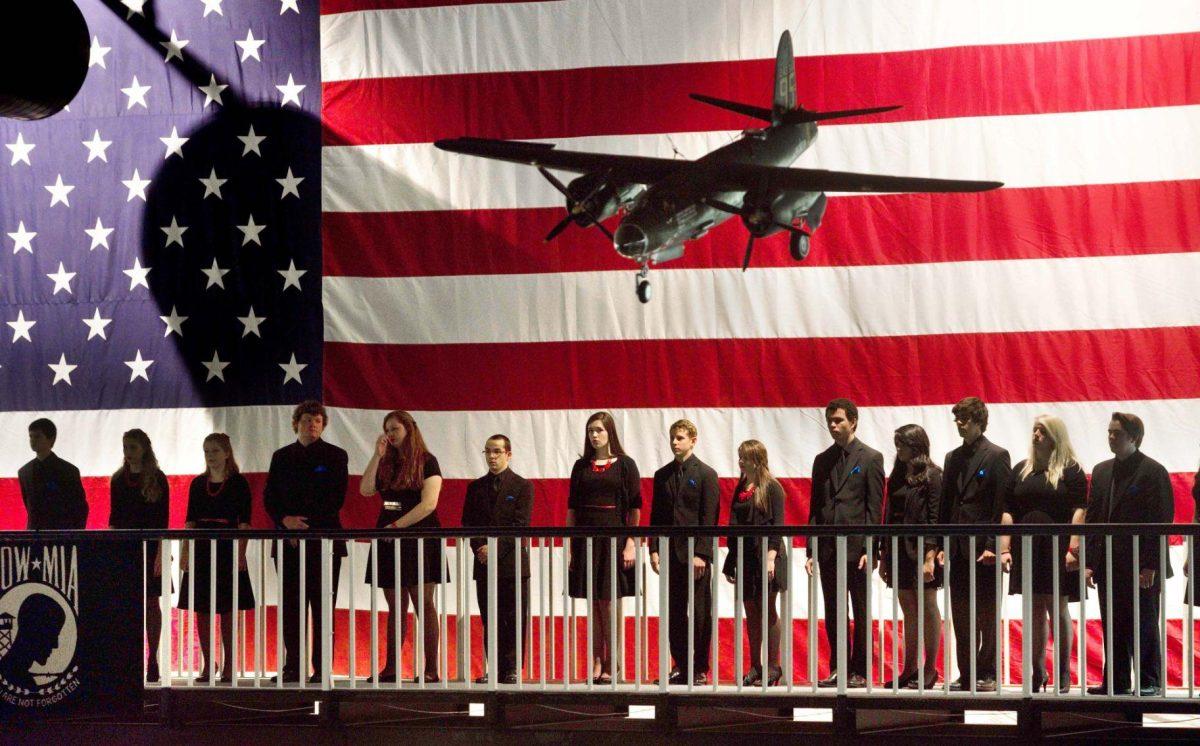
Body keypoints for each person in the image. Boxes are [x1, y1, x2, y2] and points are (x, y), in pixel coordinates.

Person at [1080, 412, 1173, 696]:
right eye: (1109, 432)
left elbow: (1162, 520)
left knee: (1144, 623)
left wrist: (1151, 565)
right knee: (1113, 623)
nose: (1110, 437)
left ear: (1134, 437)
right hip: (1109, 562)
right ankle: (1116, 681)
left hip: (1142, 564)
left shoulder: (1153, 471)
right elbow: (1094, 518)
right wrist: (1090, 563)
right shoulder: (1102, 470)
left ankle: (1149, 680)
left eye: (1116, 433)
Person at [998, 415, 1086, 694]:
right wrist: (1004, 547)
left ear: (1055, 437)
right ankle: (1037, 671)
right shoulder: (1021, 470)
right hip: (1028, 546)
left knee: (1057, 609)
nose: (1036, 435)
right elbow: (1008, 510)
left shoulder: (1071, 470)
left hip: (1057, 548)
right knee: (1033, 610)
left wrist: (1074, 548)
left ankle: (1062, 672)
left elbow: (1079, 510)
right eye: (1035, 430)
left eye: (1042, 431)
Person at [264, 400, 348, 684]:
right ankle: (293, 667)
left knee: (323, 606)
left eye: (317, 420)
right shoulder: (281, 456)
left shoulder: (336, 456)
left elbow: (336, 499)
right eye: (306, 420)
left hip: (323, 541)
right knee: (291, 606)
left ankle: (322, 668)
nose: (312, 424)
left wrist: (305, 527)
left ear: (323, 425)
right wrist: (285, 521)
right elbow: (270, 498)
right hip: (288, 542)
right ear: (296, 423)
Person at [360, 410, 445, 683]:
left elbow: (429, 504)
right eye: (387, 429)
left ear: (409, 429)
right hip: (388, 535)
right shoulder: (386, 461)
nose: (390, 434)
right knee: (396, 606)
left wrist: (398, 527)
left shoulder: (428, 461)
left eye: (395, 429)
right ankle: (392, 667)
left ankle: (430, 669)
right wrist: (376, 455)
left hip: (418, 535)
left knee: (424, 603)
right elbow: (365, 489)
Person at [806, 398, 884, 688]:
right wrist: (811, 548)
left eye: (838, 420)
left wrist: (870, 548)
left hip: (856, 548)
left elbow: (874, 508)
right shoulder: (822, 460)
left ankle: (860, 670)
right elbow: (816, 507)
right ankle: (839, 667)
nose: (833, 426)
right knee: (834, 610)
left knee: (861, 610)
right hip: (828, 547)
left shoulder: (870, 458)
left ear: (853, 421)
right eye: (830, 421)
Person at [937, 396, 1011, 692]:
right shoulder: (952, 457)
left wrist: (994, 544)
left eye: (964, 419)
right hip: (957, 546)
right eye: (957, 419)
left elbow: (1001, 503)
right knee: (961, 613)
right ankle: (966, 672)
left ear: (979, 421)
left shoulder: (996, 455)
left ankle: (988, 672)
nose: (959, 424)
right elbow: (946, 504)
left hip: (984, 548)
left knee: (987, 614)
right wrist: (942, 543)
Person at [566, 411, 641, 684]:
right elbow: (572, 509)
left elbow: (635, 508)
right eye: (590, 431)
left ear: (610, 432)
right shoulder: (580, 466)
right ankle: (597, 658)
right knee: (594, 603)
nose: (594, 435)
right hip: (586, 541)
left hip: (614, 542)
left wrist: (631, 543)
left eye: (598, 429)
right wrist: (572, 548)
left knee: (609, 603)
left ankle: (614, 660)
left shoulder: (625, 465)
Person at [177, 434, 255, 684]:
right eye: (206, 451)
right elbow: (190, 521)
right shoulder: (198, 484)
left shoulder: (239, 483)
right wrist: (185, 552)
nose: (210, 455)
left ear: (227, 453)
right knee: (202, 608)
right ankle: (209, 663)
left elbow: (245, 522)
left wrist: (241, 552)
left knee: (228, 609)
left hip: (228, 550)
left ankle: (230, 664)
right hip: (201, 549)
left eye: (215, 450)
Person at [650, 419, 719, 686]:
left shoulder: (706, 474)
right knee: (675, 611)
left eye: (680, 437)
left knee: (701, 612)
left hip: (695, 554)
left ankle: (700, 666)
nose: (675, 442)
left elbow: (708, 517)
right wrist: (655, 548)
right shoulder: (662, 475)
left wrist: (702, 553)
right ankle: (680, 664)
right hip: (671, 553)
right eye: (672, 438)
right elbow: (657, 516)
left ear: (693, 440)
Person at [461, 434, 534, 684]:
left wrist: (494, 549)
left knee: (513, 617)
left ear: (508, 454)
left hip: (512, 564)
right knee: (489, 618)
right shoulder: (475, 487)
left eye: (497, 452)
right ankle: (494, 668)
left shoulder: (523, 487)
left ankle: (513, 668)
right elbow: (467, 524)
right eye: (488, 452)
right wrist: (480, 548)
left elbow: (520, 525)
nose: (492, 457)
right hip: (483, 564)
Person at [879, 424, 943, 689]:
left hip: (922, 549)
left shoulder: (933, 475)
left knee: (928, 606)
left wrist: (930, 554)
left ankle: (930, 668)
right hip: (898, 549)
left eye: (902, 444)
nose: (898, 449)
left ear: (916, 446)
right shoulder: (897, 475)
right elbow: (888, 514)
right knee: (909, 610)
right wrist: (883, 554)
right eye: (896, 444)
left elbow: (934, 517)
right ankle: (910, 668)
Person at [723, 439, 788, 687]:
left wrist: (771, 556)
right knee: (751, 612)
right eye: (739, 456)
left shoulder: (772, 487)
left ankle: (773, 665)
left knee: (767, 609)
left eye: (745, 457)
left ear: (757, 459)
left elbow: (777, 525)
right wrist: (731, 561)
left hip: (767, 555)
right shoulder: (741, 488)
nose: (740, 461)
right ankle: (755, 665)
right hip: (746, 556)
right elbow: (734, 527)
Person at [108, 428, 170, 683]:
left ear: (144, 448)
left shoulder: (157, 478)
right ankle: (128, 660)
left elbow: (163, 521)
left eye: (133, 447)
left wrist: (160, 554)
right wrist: (111, 548)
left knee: (151, 602)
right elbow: (114, 518)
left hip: (150, 546)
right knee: (127, 604)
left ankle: (152, 659)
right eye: (125, 447)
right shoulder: (118, 478)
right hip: (125, 547)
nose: (128, 452)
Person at [18, 418, 87, 530]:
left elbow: (79, 508)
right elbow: (30, 505)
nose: (33, 440)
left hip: (62, 534)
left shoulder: (68, 471)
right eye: (31, 436)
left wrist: (75, 534)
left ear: (51, 439)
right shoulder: (24, 472)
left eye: (38, 436)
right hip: (34, 534)